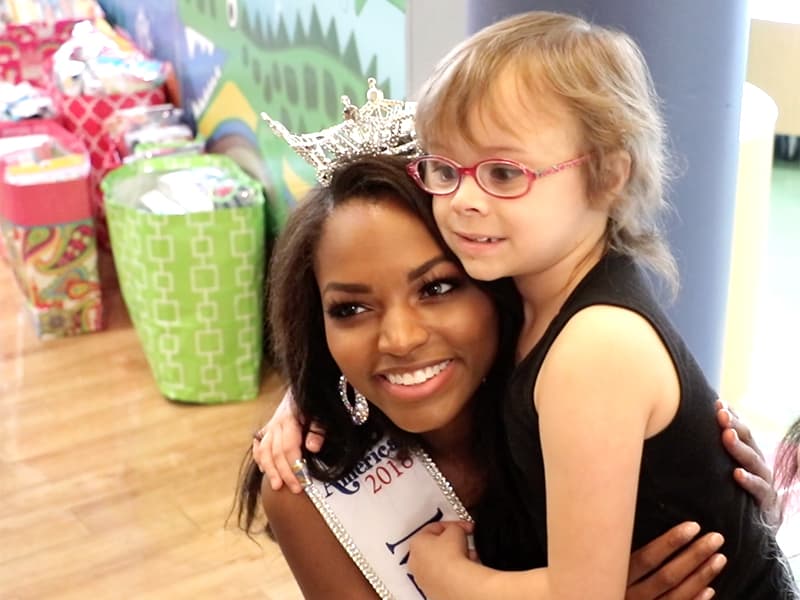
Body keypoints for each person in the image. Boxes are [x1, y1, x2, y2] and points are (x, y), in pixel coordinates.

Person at [238, 148, 773, 600]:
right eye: (351, 309)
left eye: (437, 288)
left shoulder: (575, 389)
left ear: (502, 286)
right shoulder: (306, 487)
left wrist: (742, 506)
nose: (398, 340)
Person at [396, 10, 797, 599]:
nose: (462, 201)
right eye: (444, 168)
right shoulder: (521, 280)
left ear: (608, 175)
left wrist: (446, 576)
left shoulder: (594, 346)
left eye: (504, 173)